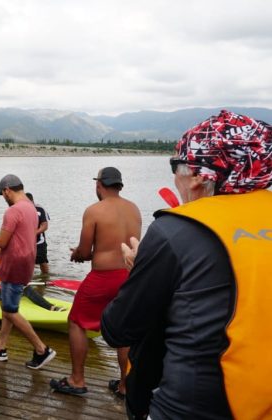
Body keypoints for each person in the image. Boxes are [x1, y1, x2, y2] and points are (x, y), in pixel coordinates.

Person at [102, 110, 272, 419]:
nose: (173, 177)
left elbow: (117, 328)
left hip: (192, 407)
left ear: (198, 176)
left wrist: (140, 267)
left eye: (175, 165)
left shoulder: (175, 231)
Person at [49, 166, 141, 397]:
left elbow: (85, 250)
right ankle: (125, 385)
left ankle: (77, 380)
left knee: (77, 322)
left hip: (103, 277)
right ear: (119, 185)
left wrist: (77, 254)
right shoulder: (135, 209)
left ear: (99, 185)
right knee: (125, 331)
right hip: (131, 276)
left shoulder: (94, 210)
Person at [0, 175, 56, 369]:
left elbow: (2, 242)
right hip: (26, 262)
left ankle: (41, 349)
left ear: (7, 190)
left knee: (10, 311)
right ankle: (0, 347)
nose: (3, 198)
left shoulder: (13, 211)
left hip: (13, 264)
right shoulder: (31, 208)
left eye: (2, 194)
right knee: (8, 307)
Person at [25, 192, 51, 275]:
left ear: (32, 201)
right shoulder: (20, 209)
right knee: (25, 263)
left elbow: (45, 225)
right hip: (25, 242)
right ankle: (28, 279)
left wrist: (35, 232)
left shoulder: (40, 209)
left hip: (39, 241)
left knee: (42, 261)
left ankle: (46, 277)